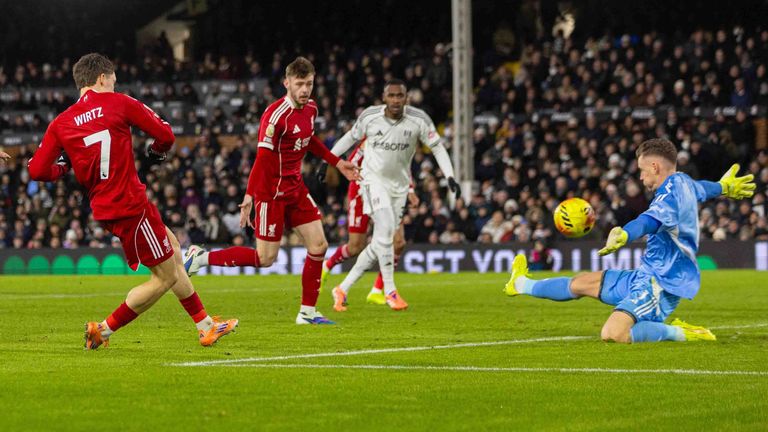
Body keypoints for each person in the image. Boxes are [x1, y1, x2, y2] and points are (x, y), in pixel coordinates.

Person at [26, 53, 238, 349]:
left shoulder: (61, 123)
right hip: (129, 204)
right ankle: (103, 329)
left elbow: (36, 170)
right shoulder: (119, 102)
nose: (114, 84)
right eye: (112, 79)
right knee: (164, 278)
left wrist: (65, 166)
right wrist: (155, 154)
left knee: (174, 251)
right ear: (102, 78)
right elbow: (165, 134)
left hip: (106, 205)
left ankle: (205, 325)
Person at [504, 138, 755, 343]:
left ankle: (681, 333)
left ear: (655, 167)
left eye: (642, 171)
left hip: (662, 283)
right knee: (581, 283)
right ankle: (521, 283)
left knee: (613, 333)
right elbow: (703, 188)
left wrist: (624, 234)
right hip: (646, 275)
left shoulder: (669, 194)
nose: (642, 178)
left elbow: (649, 222)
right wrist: (723, 187)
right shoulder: (683, 182)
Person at [183, 57, 360, 325]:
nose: (305, 90)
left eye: (309, 84)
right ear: (286, 83)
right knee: (265, 258)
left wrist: (337, 162)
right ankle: (201, 257)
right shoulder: (275, 116)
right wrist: (249, 196)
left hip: (295, 187)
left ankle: (307, 312)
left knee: (319, 245)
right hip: (271, 193)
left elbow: (308, 138)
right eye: (299, 84)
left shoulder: (311, 108)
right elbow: (262, 159)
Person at [327, 79, 460, 311]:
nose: (396, 100)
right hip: (371, 181)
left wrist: (449, 176)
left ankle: (343, 288)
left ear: (406, 98)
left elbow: (437, 147)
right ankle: (389, 290)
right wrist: (330, 160)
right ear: (384, 97)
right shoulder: (370, 117)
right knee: (386, 229)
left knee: (382, 240)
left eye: (400, 96)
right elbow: (350, 137)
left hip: (399, 187)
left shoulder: (418, 119)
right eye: (392, 96)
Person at [317, 137, 419, 305]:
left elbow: (403, 164)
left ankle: (379, 290)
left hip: (388, 192)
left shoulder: (402, 135)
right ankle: (327, 267)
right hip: (361, 190)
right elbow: (352, 161)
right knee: (355, 246)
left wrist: (410, 189)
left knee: (398, 242)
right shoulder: (374, 135)